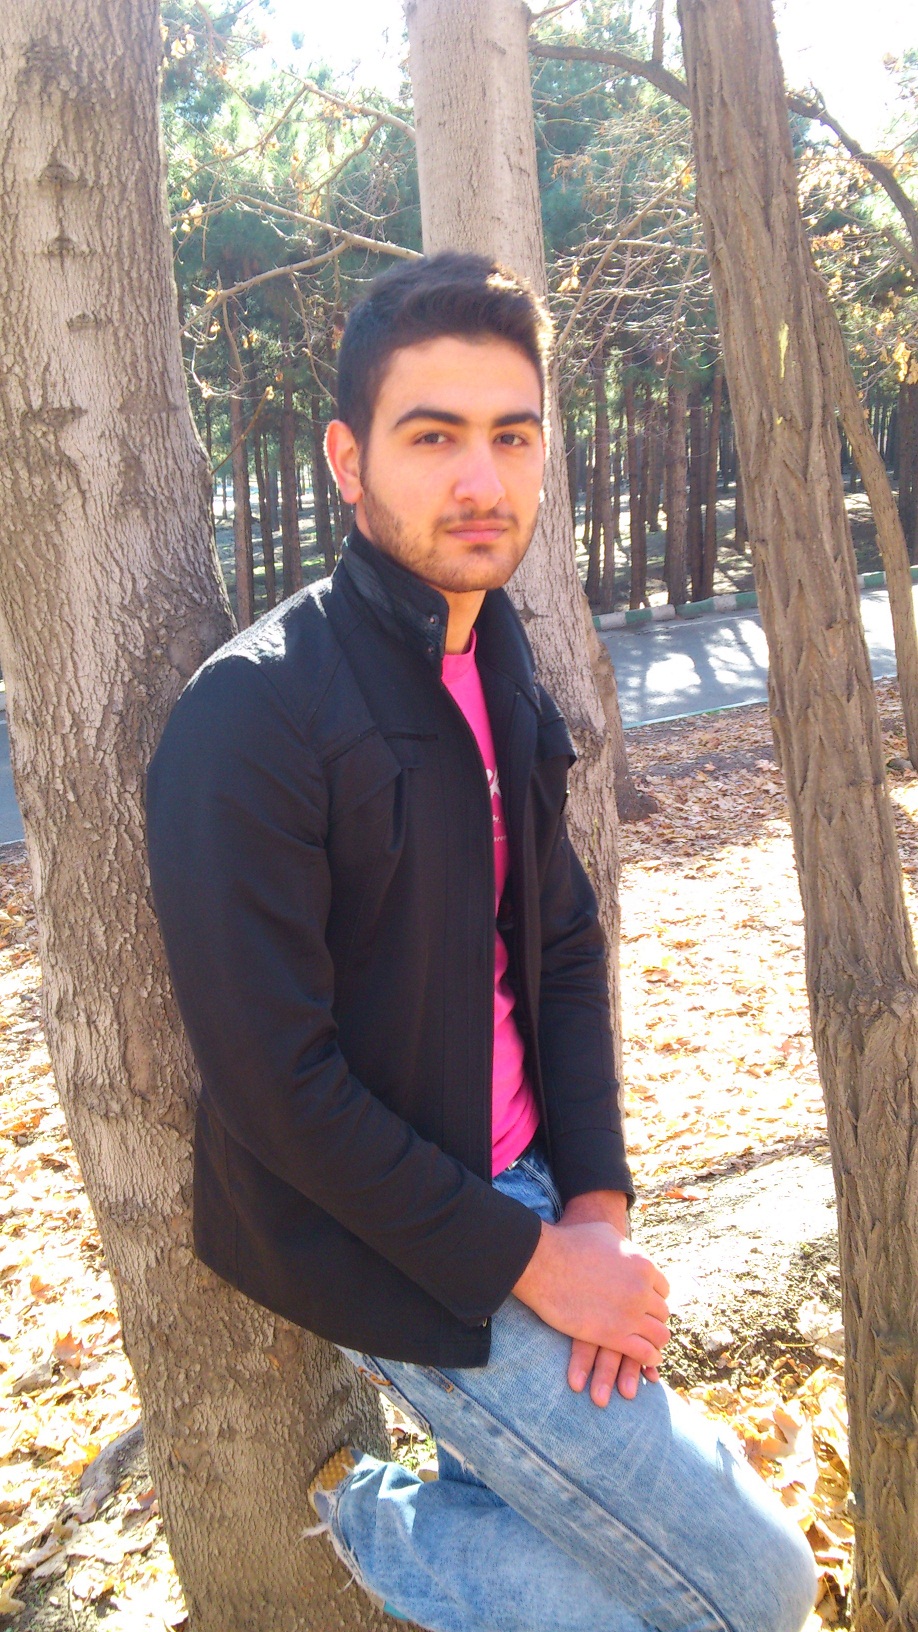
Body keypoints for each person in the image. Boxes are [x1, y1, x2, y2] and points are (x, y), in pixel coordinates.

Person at [145, 252, 817, 1632]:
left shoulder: (497, 657)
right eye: (432, 436)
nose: (480, 479)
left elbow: (559, 946)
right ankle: (380, 1524)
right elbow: (277, 1089)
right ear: (348, 460)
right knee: (760, 1589)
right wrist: (532, 1263)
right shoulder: (251, 714)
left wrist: (596, 1204)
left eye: (512, 436)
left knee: (649, 1562)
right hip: (389, 1235)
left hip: (539, 1191)